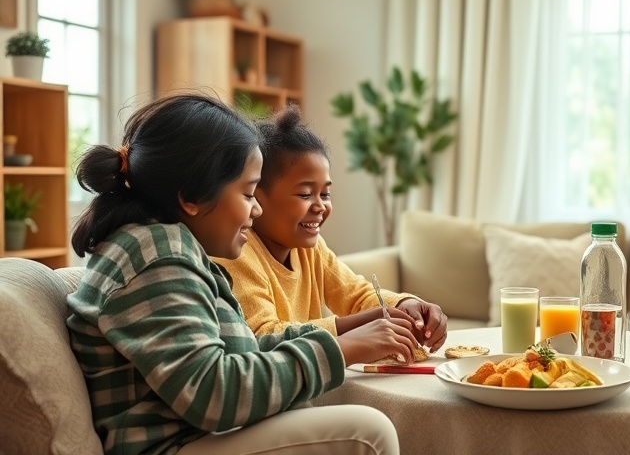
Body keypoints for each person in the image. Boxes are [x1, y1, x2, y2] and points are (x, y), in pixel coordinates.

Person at [65, 94, 407, 455]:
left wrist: (358, 328)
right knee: (369, 431)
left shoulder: (170, 250)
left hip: (197, 437)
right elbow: (211, 393)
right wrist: (341, 348)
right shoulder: (156, 258)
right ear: (191, 197)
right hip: (174, 446)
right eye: (248, 193)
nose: (256, 210)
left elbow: (243, 352)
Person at [214, 107, 449, 355]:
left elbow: (355, 295)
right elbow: (264, 336)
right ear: (255, 196)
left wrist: (405, 304)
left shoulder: (311, 248)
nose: (320, 206)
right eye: (305, 194)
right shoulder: (236, 253)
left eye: (325, 194)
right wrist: (366, 322)